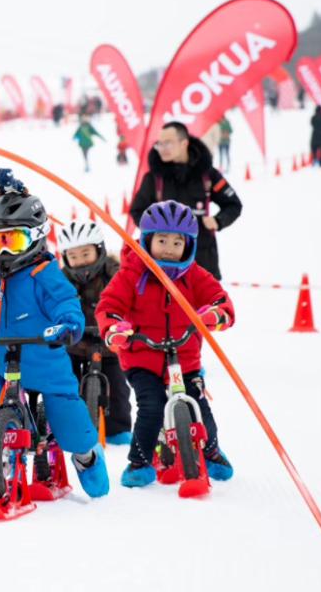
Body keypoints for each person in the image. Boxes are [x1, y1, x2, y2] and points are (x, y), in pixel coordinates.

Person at [0, 169, 110, 502]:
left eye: (13, 241)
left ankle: (86, 456)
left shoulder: (43, 272)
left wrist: (66, 324)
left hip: (46, 363)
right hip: (2, 364)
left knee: (68, 415)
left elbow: (66, 302)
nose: (3, 253)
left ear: (36, 237)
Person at [95, 200, 236, 487]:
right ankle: (139, 461)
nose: (169, 248)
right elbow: (110, 305)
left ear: (189, 244)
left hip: (185, 356)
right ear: (147, 240)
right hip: (142, 357)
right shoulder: (132, 273)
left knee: (200, 405)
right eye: (161, 240)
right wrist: (115, 328)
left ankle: (211, 450)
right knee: (152, 406)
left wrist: (215, 315)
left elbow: (221, 302)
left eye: (177, 242)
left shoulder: (194, 275)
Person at [129, 121, 242, 280]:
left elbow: (233, 204)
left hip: (203, 260)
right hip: (165, 262)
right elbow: (137, 211)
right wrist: (154, 227)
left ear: (184, 143)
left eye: (167, 143)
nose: (162, 149)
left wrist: (218, 221)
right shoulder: (154, 178)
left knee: (206, 304)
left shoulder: (207, 174)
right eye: (159, 144)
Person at [57, 221, 131, 444]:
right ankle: (68, 427)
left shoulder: (115, 274)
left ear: (99, 250)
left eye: (86, 253)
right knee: (66, 383)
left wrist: (124, 324)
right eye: (74, 256)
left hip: (109, 342)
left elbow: (127, 299)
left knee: (117, 385)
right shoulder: (62, 280)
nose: (80, 261)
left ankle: (118, 430)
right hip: (75, 341)